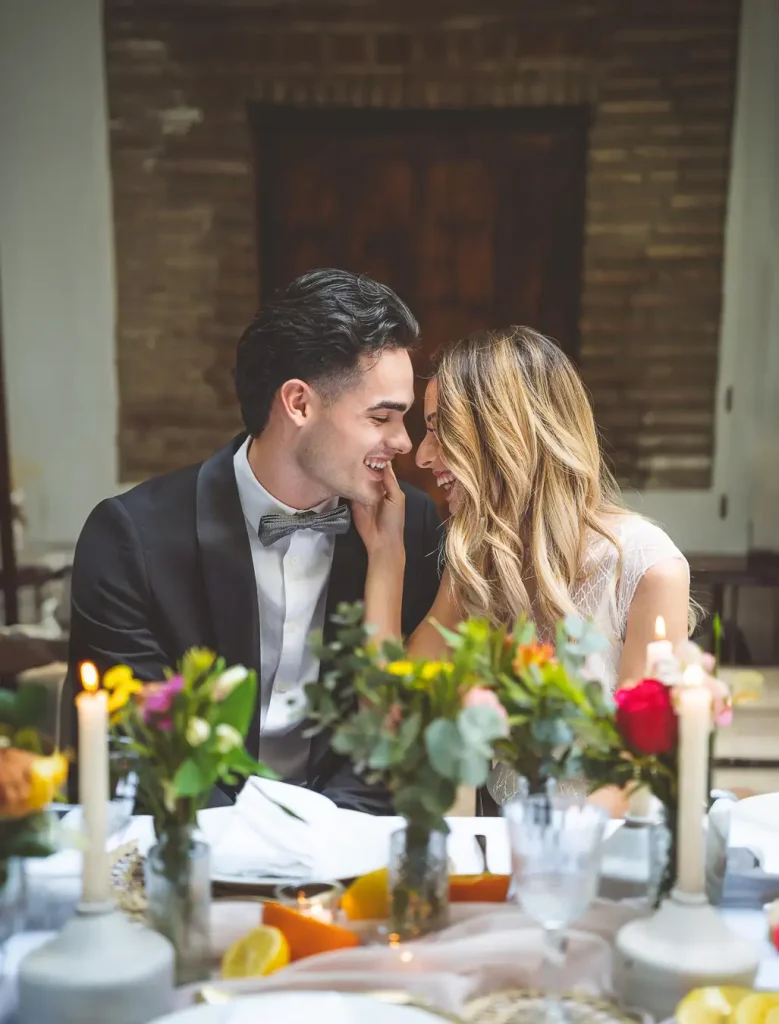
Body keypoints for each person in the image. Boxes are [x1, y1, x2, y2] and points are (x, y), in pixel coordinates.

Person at [69, 269, 443, 813]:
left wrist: (319, 841)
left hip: (343, 853)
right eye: (380, 417)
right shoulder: (132, 538)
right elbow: (140, 746)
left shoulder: (412, 528)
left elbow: (392, 744)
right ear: (298, 403)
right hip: (191, 849)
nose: (403, 443)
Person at [354, 326, 693, 808]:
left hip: (598, 862)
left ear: (506, 432)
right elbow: (390, 708)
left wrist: (548, 862)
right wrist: (386, 558)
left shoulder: (647, 568)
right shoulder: (476, 559)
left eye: (439, 428)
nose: (424, 456)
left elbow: (634, 775)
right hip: (500, 852)